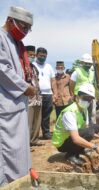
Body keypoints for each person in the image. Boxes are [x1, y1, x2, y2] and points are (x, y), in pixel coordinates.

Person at [0, 6, 36, 186]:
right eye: (23, 27)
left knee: (20, 148)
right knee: (7, 150)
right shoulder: (0, 37)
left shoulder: (15, 43)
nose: (25, 32)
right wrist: (24, 87)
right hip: (6, 104)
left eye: (28, 29)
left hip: (17, 103)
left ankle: (22, 178)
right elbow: (2, 68)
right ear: (9, 20)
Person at [52, 84, 99, 165]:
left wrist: (95, 135)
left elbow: (85, 127)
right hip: (62, 143)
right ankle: (71, 155)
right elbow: (76, 138)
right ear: (77, 97)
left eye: (90, 99)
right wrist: (95, 147)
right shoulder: (69, 112)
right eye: (85, 98)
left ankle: (79, 149)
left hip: (71, 136)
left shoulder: (84, 110)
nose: (88, 101)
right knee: (89, 132)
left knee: (95, 127)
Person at [33, 47, 56, 139]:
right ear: (36, 55)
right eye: (40, 55)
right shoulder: (32, 65)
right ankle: (34, 135)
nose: (42, 57)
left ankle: (46, 133)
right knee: (36, 115)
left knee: (46, 115)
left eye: (44, 56)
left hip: (48, 94)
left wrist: (54, 93)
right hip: (36, 94)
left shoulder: (49, 66)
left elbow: (53, 80)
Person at [70, 53, 96, 124]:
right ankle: (80, 129)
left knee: (92, 113)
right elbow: (71, 84)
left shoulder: (92, 72)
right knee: (80, 113)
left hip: (90, 97)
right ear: (82, 62)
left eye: (89, 63)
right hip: (80, 97)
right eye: (86, 63)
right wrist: (73, 96)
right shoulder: (76, 72)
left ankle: (91, 128)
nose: (88, 65)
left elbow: (92, 83)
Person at [26, 45, 42, 146]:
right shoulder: (22, 66)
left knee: (37, 120)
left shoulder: (34, 67)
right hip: (28, 98)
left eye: (33, 55)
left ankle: (34, 140)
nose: (32, 56)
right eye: (30, 55)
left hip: (37, 97)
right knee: (28, 121)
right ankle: (26, 142)